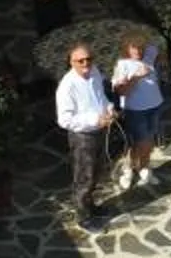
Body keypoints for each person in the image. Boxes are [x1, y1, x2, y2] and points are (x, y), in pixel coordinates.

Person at [55, 42, 114, 218]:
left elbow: (100, 96)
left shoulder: (94, 72)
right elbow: (64, 120)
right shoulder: (67, 87)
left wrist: (109, 109)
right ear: (71, 63)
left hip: (100, 130)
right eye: (80, 61)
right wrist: (95, 119)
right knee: (84, 177)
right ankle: (83, 216)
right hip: (83, 137)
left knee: (97, 172)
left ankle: (91, 206)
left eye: (89, 59)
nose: (85, 63)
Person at [111, 32, 165, 194]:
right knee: (141, 142)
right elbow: (120, 91)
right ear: (126, 49)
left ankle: (144, 168)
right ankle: (128, 169)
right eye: (134, 48)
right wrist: (136, 77)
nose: (139, 51)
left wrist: (162, 62)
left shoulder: (149, 53)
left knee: (149, 140)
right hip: (136, 110)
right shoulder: (122, 65)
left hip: (155, 105)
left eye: (141, 47)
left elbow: (159, 50)